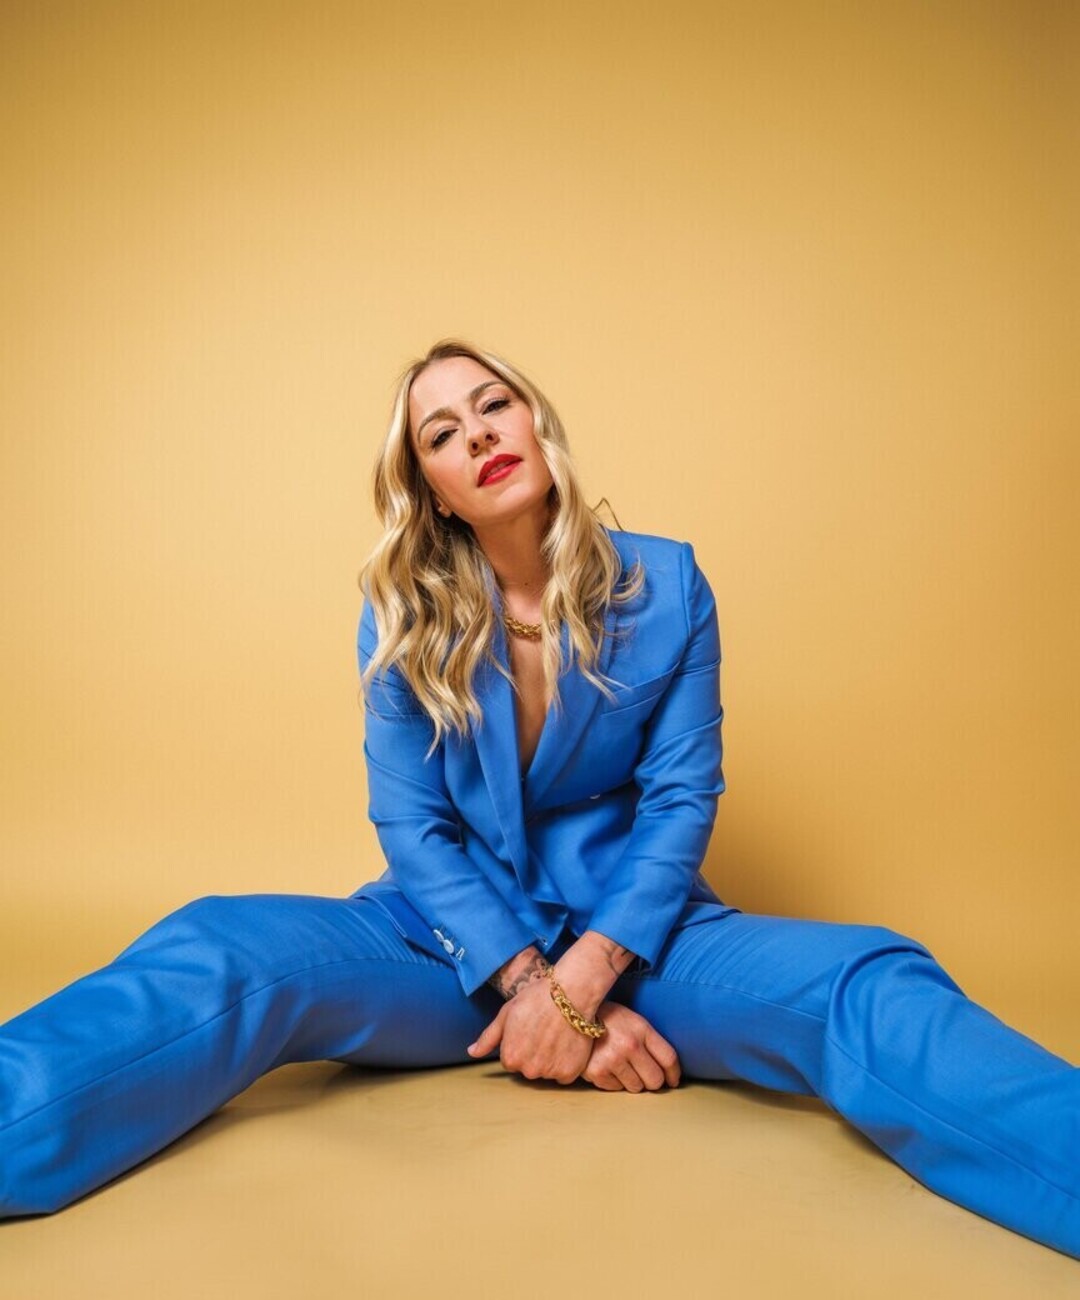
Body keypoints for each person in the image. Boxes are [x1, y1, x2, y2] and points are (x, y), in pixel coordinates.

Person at [0, 340, 1076, 1260]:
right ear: (433, 489)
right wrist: (539, 993)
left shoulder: (669, 586)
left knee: (865, 981)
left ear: (536, 424)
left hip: (642, 941)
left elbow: (681, 798)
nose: (477, 435)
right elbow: (412, 825)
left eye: (494, 405)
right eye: (442, 434)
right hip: (447, 948)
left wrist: (588, 981)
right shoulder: (400, 614)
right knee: (223, 948)